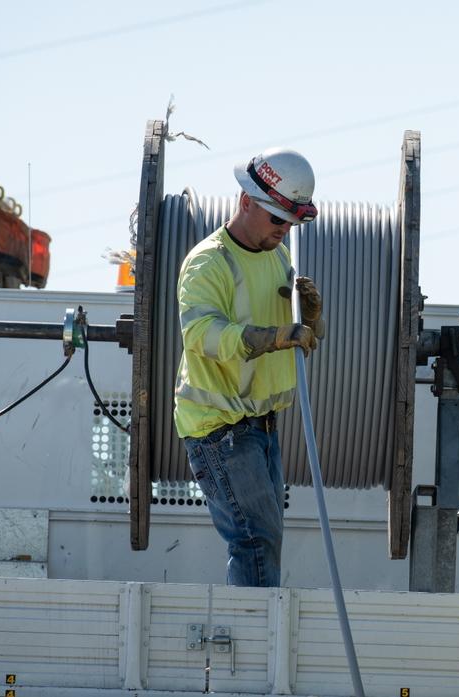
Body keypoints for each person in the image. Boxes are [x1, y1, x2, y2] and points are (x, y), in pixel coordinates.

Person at [173, 147, 325, 587]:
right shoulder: (209, 263)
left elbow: (300, 338)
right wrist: (274, 337)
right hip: (220, 429)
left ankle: (258, 639)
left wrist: (310, 321)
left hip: (259, 426)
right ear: (245, 201)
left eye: (291, 222)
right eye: (277, 219)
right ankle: (253, 645)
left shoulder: (276, 257)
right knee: (255, 541)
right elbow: (202, 334)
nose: (284, 231)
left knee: (264, 540)